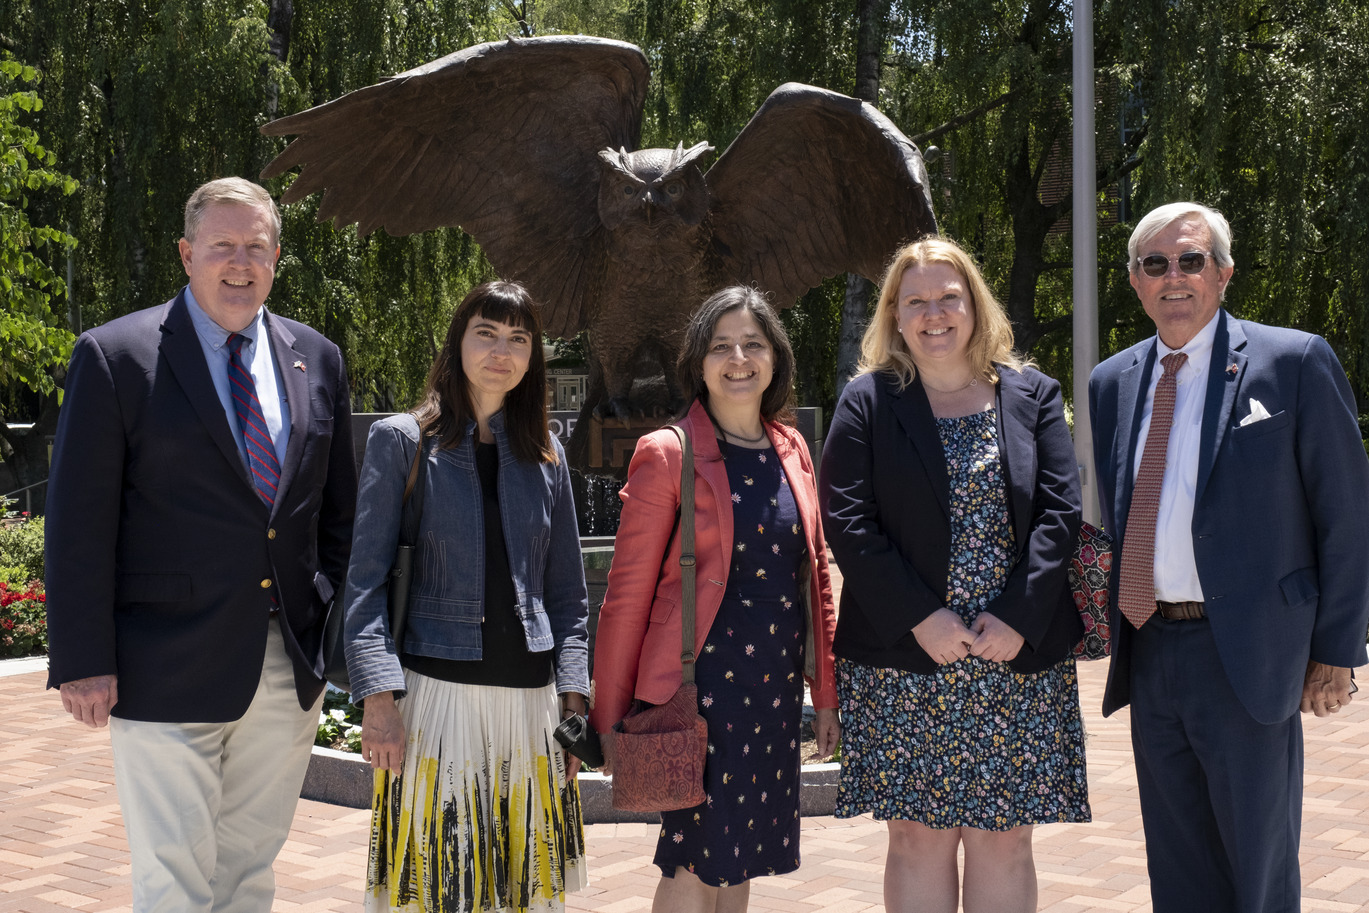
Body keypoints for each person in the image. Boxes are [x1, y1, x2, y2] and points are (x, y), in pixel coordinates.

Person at [44, 177, 358, 913]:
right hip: (163, 665)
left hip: (285, 666)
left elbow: (338, 516)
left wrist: (334, 636)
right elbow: (78, 521)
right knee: (173, 880)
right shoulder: (116, 356)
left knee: (247, 874)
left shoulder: (317, 358)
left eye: (256, 247)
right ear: (187, 255)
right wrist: (83, 659)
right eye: (222, 246)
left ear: (276, 258)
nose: (239, 263)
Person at [1089, 202, 1369, 912]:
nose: (1174, 276)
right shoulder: (1111, 382)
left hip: (1248, 653)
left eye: (1191, 260)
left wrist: (1336, 650)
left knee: (1257, 873)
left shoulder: (1293, 362)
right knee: (1177, 870)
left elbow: (1346, 515)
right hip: (1150, 650)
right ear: (1135, 281)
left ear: (1223, 272)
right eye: (1155, 264)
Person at [819, 237, 1090, 913]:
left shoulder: (1032, 394)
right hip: (906, 658)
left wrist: (1018, 617)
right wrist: (920, 617)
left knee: (1005, 838)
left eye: (948, 296)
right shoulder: (867, 401)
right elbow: (846, 519)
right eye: (915, 301)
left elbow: (1060, 512)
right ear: (894, 313)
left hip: (1013, 655)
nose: (933, 313)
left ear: (975, 304)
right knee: (916, 837)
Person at [341, 280, 589, 913]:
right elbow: (364, 584)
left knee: (523, 894)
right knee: (438, 889)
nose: (501, 351)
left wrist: (574, 701)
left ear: (533, 357)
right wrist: (377, 700)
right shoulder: (402, 440)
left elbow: (568, 596)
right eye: (486, 333)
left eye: (518, 339)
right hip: (435, 700)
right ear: (458, 342)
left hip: (532, 708)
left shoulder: (547, 455)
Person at [590, 286, 840, 913]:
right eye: (721, 346)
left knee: (739, 857)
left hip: (773, 692)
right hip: (700, 695)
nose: (738, 359)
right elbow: (625, 599)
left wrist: (825, 696)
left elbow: (816, 581)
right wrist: (608, 719)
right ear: (697, 362)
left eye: (753, 343)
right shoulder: (667, 452)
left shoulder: (792, 449)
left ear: (775, 357)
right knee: (694, 862)